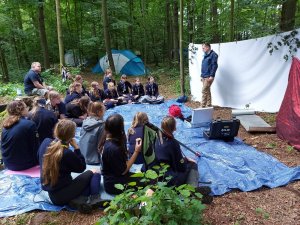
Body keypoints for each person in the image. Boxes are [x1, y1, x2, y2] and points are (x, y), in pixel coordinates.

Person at [38, 120, 102, 212]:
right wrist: (77, 148)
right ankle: (94, 198)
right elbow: (81, 167)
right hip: (61, 194)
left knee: (82, 180)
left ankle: (77, 200)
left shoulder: (45, 142)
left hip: (49, 191)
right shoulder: (66, 153)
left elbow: (38, 157)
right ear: (72, 136)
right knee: (95, 172)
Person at [153, 116, 213, 203]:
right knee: (193, 165)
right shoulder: (173, 144)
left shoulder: (157, 137)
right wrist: (185, 160)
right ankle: (192, 190)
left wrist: (182, 159)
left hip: (159, 176)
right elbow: (181, 167)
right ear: (174, 128)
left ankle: (190, 192)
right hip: (171, 179)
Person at [99, 114, 142, 195]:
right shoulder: (114, 148)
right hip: (115, 185)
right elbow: (123, 171)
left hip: (109, 180)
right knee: (148, 182)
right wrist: (136, 151)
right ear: (120, 129)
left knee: (144, 178)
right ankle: (142, 206)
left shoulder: (105, 139)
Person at [1, 100, 39, 171]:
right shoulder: (29, 124)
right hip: (24, 165)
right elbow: (35, 147)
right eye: (25, 107)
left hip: (8, 164)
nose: (27, 109)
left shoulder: (6, 125)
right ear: (21, 110)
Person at [201, 43, 218, 108]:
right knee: (207, 91)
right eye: (202, 48)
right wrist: (201, 75)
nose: (203, 49)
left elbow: (215, 66)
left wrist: (212, 75)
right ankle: (209, 105)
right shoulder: (206, 55)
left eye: (203, 48)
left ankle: (202, 106)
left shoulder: (213, 55)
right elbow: (204, 66)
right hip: (204, 76)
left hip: (209, 76)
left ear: (208, 47)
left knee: (204, 90)